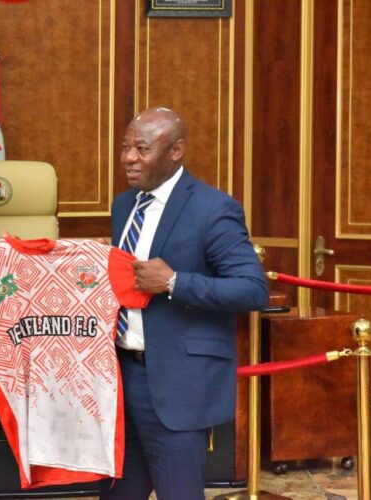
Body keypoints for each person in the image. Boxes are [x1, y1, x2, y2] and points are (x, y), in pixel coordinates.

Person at [102, 107, 268, 500]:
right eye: (125, 148)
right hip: (120, 378)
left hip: (178, 385)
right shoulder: (124, 206)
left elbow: (251, 289)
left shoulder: (213, 208)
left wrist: (174, 282)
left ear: (175, 151)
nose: (129, 158)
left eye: (142, 149)